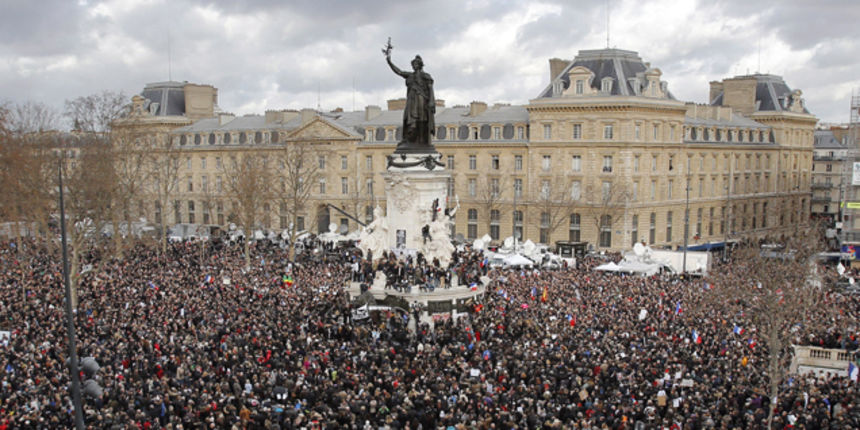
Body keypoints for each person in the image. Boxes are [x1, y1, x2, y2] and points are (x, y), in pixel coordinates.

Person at [384, 44, 435, 151]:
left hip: (421, 98)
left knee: (422, 118)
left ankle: (422, 139)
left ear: (420, 65)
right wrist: (389, 62)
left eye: (415, 64)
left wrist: (431, 101)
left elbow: (431, 89)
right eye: (412, 64)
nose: (413, 66)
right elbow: (399, 71)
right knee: (409, 118)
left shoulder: (426, 76)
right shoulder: (410, 76)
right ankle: (410, 138)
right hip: (411, 100)